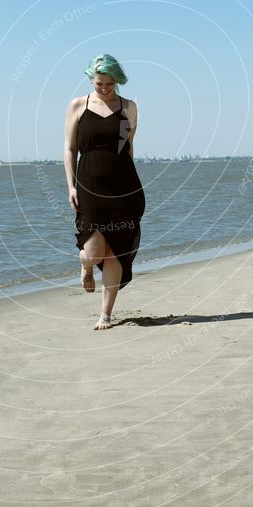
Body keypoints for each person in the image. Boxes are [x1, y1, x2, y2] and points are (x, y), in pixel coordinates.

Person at [64, 54, 145, 330]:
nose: (105, 88)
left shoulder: (129, 107)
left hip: (123, 187)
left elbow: (128, 147)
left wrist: (132, 187)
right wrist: (71, 185)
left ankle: (105, 315)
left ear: (117, 81)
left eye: (110, 83)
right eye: (100, 83)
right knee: (94, 250)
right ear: (92, 79)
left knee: (117, 252)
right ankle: (86, 267)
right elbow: (69, 149)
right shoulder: (78, 105)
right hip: (88, 187)